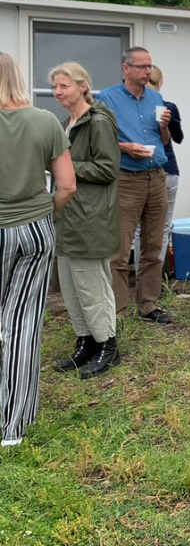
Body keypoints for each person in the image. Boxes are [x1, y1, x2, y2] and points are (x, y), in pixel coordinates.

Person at [0, 52, 76, 446]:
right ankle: (12, 427)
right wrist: (45, 214)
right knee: (22, 325)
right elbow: (67, 185)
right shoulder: (46, 121)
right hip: (34, 230)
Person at [49, 62, 121, 378]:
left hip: (91, 217)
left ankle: (108, 345)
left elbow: (107, 169)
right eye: (54, 87)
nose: (57, 92)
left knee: (92, 286)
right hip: (69, 216)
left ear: (83, 86)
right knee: (71, 285)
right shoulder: (67, 123)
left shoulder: (98, 121)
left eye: (63, 86)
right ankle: (86, 342)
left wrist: (64, 166)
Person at [99, 46, 173, 324]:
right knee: (120, 248)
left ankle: (148, 304)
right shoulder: (107, 98)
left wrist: (164, 126)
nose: (147, 71)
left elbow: (164, 141)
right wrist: (125, 147)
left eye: (149, 66)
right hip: (126, 178)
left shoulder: (155, 97)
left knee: (154, 244)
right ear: (126, 68)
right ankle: (117, 309)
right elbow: (98, 139)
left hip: (156, 176)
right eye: (142, 66)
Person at [134, 65, 183, 268]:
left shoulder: (133, 109)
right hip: (167, 169)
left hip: (138, 170)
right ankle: (154, 277)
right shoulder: (167, 107)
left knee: (139, 229)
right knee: (162, 228)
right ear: (160, 83)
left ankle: (140, 272)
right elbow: (178, 138)